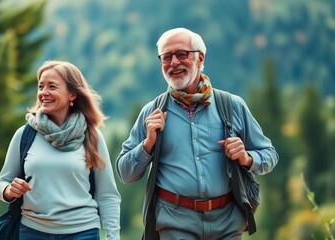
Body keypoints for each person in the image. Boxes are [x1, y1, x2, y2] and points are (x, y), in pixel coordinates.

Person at [116, 27, 279, 240]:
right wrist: (147, 144)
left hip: (227, 222)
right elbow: (125, 173)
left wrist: (247, 158)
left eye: (181, 54)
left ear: (200, 58)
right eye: (166, 57)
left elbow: (269, 154)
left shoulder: (232, 106)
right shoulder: (152, 112)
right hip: (174, 223)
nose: (174, 62)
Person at [0, 60, 121, 240]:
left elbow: (107, 195)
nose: (43, 93)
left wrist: (113, 236)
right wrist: (9, 190)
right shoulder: (24, 135)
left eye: (52, 86)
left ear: (72, 94)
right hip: (32, 232)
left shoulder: (92, 137)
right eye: (40, 87)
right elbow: (2, 182)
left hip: (83, 232)